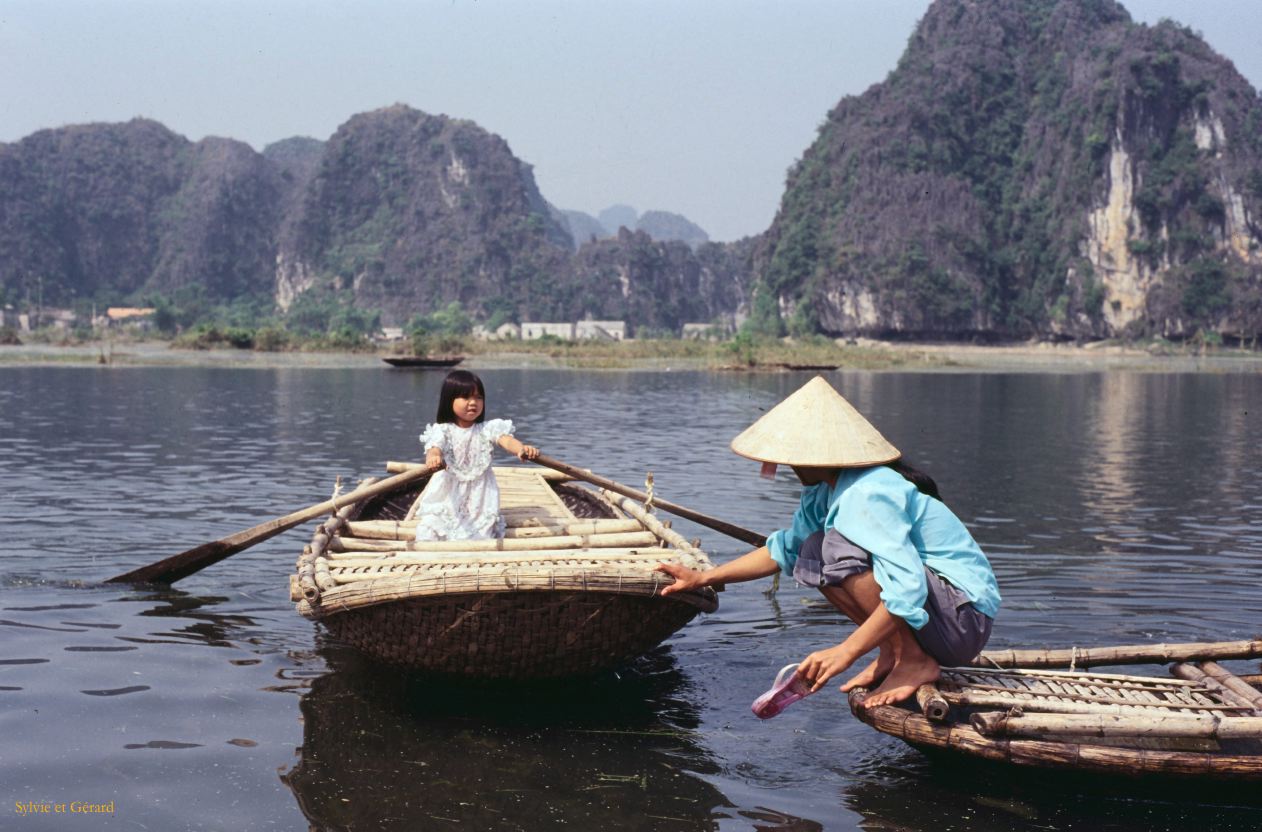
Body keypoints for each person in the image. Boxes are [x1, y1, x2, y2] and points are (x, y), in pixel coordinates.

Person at [655, 376, 1000, 709]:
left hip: (962, 619)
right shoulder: (824, 492)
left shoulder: (868, 491)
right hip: (937, 620)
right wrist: (703, 578)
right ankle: (893, 653)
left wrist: (846, 651)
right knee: (811, 551)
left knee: (835, 547)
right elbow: (785, 550)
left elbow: (908, 588)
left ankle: (912, 659)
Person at [412, 370, 539, 541]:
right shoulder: (442, 430)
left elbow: (506, 440)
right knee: (429, 530)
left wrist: (521, 449)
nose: (473, 403)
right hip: (447, 495)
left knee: (480, 536)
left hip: (480, 498)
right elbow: (434, 448)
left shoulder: (487, 429)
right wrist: (433, 458)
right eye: (465, 397)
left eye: (478, 397)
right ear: (449, 400)